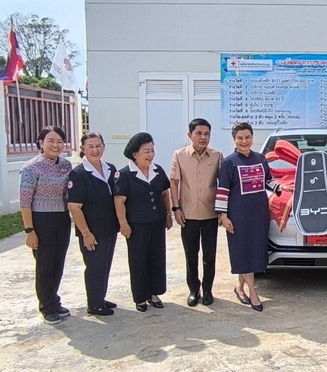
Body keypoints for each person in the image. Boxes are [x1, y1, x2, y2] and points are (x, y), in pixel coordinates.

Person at [215, 122, 292, 312]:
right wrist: (223, 216)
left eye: (247, 137)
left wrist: (282, 187)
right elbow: (222, 191)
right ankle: (253, 292)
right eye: (240, 138)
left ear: (252, 138)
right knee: (242, 252)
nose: (244, 141)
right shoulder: (229, 163)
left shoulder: (260, 158)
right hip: (238, 215)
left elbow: (268, 181)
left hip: (259, 214)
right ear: (234, 140)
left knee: (253, 252)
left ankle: (239, 287)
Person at [19, 126, 72, 325]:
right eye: (51, 140)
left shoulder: (66, 165)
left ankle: (53, 300)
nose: (55, 145)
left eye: (59, 141)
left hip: (62, 219)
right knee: (44, 265)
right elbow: (25, 202)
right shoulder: (31, 167)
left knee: (58, 263)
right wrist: (30, 230)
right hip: (41, 221)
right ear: (41, 143)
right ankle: (47, 307)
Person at [114, 132, 172, 312]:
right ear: (135, 154)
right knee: (138, 260)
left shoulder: (157, 170)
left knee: (157, 258)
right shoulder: (125, 174)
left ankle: (154, 293)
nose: (150, 154)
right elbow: (119, 201)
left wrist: (168, 214)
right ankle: (140, 297)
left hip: (157, 223)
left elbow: (165, 193)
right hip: (136, 226)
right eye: (146, 151)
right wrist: (123, 224)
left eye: (152, 150)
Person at [170, 118, 223, 307]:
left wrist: (222, 211)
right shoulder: (179, 155)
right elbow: (174, 182)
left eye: (206, 134)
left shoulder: (217, 156)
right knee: (190, 255)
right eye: (199, 133)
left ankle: (208, 289)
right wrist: (176, 208)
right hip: (188, 215)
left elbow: (223, 184)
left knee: (209, 256)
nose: (203, 137)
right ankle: (194, 289)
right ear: (189, 135)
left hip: (211, 215)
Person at [67, 132, 119, 316]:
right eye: (90, 146)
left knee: (105, 265)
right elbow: (74, 207)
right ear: (83, 149)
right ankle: (94, 305)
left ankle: (100, 297)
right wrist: (86, 233)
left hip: (109, 227)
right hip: (92, 231)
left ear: (104, 147)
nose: (95, 150)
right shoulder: (78, 174)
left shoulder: (110, 168)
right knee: (95, 267)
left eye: (98, 146)